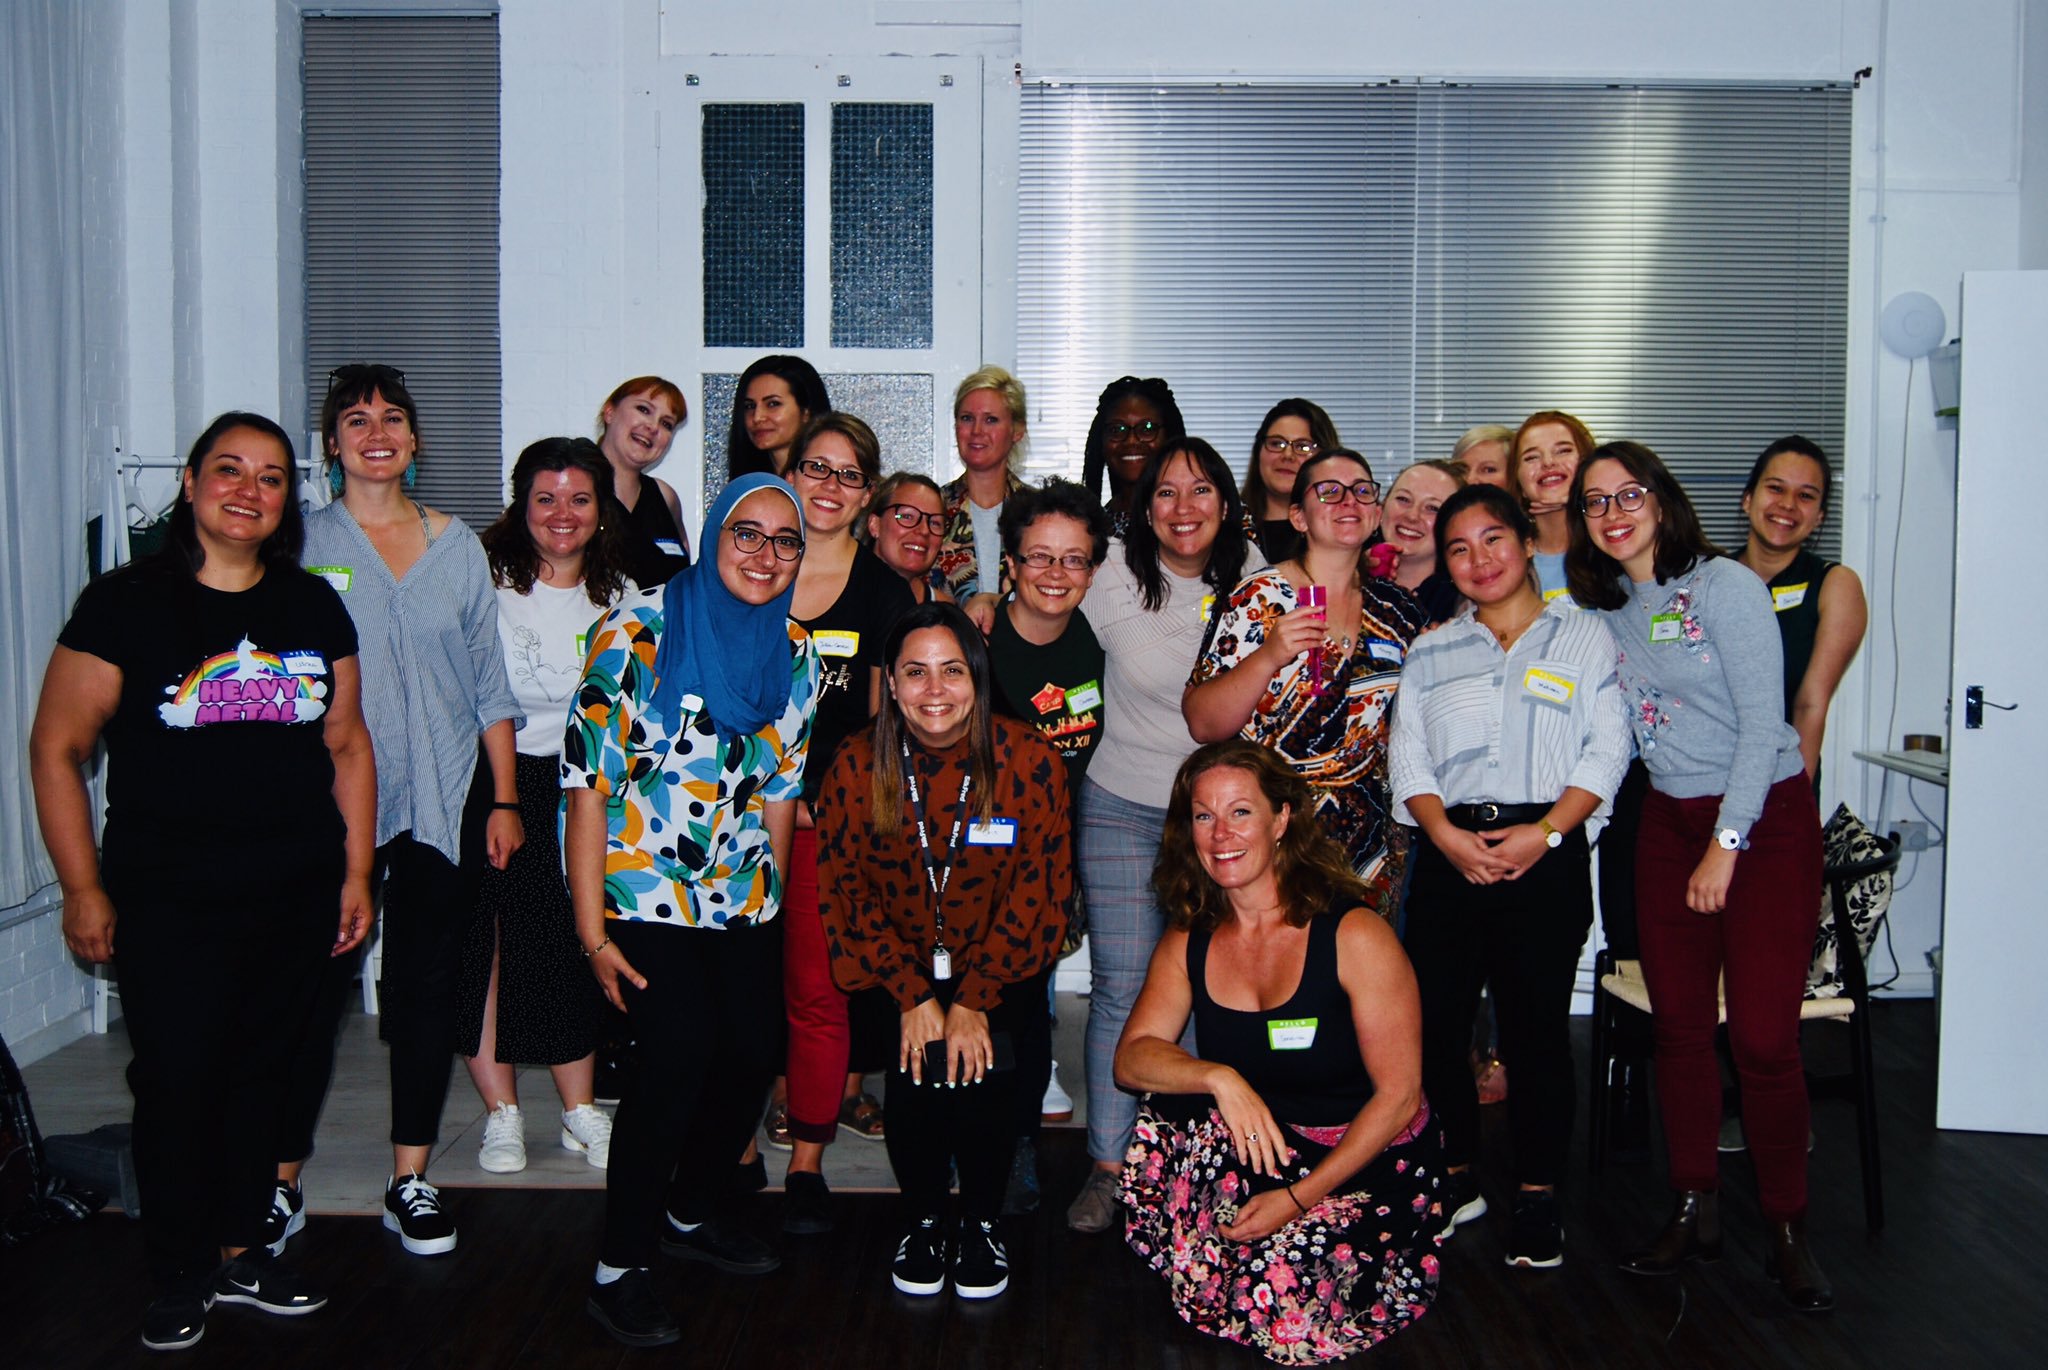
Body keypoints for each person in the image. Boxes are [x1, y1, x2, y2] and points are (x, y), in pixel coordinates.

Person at [30, 412, 374, 1350]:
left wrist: (355, 871)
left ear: (288, 500)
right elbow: (57, 748)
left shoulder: (311, 605)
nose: (248, 491)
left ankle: (242, 1251)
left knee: (267, 1075)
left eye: (270, 477)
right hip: (168, 893)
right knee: (179, 1079)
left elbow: (347, 744)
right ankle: (180, 1270)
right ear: (189, 483)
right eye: (229, 470)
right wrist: (82, 887)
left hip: (296, 888)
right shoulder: (125, 603)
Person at [1566, 441, 1832, 1312]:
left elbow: (1764, 726)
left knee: (1762, 1039)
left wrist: (1727, 841)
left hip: (1764, 820)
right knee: (1678, 1030)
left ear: (1662, 498)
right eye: (1595, 501)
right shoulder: (1607, 607)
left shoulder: (1726, 587)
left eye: (1627, 494)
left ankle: (1787, 1228)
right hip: (1668, 822)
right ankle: (1695, 1208)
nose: (1612, 513)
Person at [568, 473, 820, 1348]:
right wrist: (591, 932)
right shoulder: (636, 630)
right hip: (642, 887)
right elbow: (587, 786)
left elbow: (782, 788)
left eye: (785, 541)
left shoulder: (796, 649)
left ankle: (688, 1209)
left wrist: (772, 904)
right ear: (713, 536)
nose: (765, 555)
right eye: (746, 533)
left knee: (752, 1051)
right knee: (675, 1056)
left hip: (742, 892)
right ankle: (619, 1266)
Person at [1116, 740, 1444, 1364]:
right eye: (1204, 815)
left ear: (1281, 820)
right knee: (1168, 1109)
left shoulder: (1355, 934)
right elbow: (1132, 1058)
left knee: (1283, 1296)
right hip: (1267, 1140)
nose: (1221, 834)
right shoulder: (1191, 935)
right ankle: (1230, 1251)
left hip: (1365, 1157)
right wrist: (1221, 1078)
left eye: (1241, 812)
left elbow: (1400, 1098)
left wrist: (1298, 1200)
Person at [299, 364, 524, 1258]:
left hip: (445, 794)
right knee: (312, 994)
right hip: (327, 805)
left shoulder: (455, 545)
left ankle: (411, 1178)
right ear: (331, 443)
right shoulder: (301, 542)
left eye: (393, 417)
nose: (377, 433)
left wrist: (503, 797)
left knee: (427, 988)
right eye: (356, 420)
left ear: (415, 440)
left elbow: (488, 684)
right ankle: (279, 1181)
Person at [1389, 483, 1631, 1269]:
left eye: (1493, 539)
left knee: (1536, 1034)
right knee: (1439, 1029)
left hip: (1547, 850)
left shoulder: (1587, 636)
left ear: (1527, 542)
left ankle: (1537, 1193)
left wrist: (1547, 832)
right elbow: (1409, 756)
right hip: (1449, 851)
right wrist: (1445, 837)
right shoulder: (1431, 651)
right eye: (1458, 548)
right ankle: (1456, 1174)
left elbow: (1608, 749)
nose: (1478, 559)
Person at [816, 602, 1072, 1300]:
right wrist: (912, 995)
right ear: (892, 683)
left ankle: (982, 1222)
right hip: (895, 963)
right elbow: (844, 889)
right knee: (916, 1082)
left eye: (952, 671)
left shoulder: (1030, 760)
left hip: (1003, 960)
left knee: (987, 1079)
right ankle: (924, 1220)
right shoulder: (856, 764)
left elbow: (1040, 889)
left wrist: (976, 999)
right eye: (916, 672)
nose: (935, 690)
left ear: (977, 677)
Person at [1067, 437, 1262, 1233]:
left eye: (1201, 490)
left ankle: (1196, 1162)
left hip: (1218, 820)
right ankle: (1109, 1166)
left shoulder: (1258, 578)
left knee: (1217, 992)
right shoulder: (1111, 573)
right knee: (1121, 985)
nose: (1184, 508)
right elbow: (1041, 615)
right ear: (1145, 509)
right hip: (1120, 802)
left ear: (1227, 503)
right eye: (1166, 493)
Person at [458, 437, 633, 1175]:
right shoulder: (482, 578)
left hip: (581, 787)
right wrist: (502, 795)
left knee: (571, 941)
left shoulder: (621, 591)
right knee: (485, 946)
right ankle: (501, 1113)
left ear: (601, 508)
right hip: (490, 779)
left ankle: (578, 1109)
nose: (564, 514)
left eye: (580, 498)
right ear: (520, 504)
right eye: (546, 498)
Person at [773, 413, 915, 1233]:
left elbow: (880, 725)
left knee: (817, 994)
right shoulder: (749, 563)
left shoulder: (883, 592)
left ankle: (807, 1160)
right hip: (725, 819)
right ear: (789, 473)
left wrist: (836, 799)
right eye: (815, 468)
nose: (829, 486)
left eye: (848, 474)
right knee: (738, 993)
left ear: (866, 496)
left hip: (824, 821)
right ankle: (732, 1147)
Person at [1185, 449, 1427, 914]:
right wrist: (1270, 655)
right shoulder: (1259, 597)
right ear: (1299, 517)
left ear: (1376, 513)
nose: (1348, 501)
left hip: (1370, 841)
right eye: (1329, 492)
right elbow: (1202, 723)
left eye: (1362, 490)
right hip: (1272, 830)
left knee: (1361, 957)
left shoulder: (1398, 609)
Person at [985, 478, 1113, 1212]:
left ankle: (1018, 1144)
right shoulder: (976, 642)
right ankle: (967, 1140)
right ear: (1010, 563)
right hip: (977, 859)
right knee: (984, 1009)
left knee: (1030, 1011)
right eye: (1039, 556)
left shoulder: (1100, 640)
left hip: (1055, 861)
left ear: (1092, 570)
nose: (1056, 574)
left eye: (1073, 559)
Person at [1734, 435, 1867, 784]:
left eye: (1806, 496)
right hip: (1694, 783)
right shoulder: (1707, 578)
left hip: (1781, 781)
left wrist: (1792, 803)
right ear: (1748, 499)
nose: (1788, 504)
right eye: (1776, 488)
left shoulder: (1835, 585)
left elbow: (1810, 705)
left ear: (1820, 516)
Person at [935, 365, 1032, 600]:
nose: (977, 431)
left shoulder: (1040, 511)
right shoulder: (932, 509)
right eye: (967, 418)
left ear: (1017, 430)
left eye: (991, 420)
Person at [595, 375, 691, 586]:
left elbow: (684, 585)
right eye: (644, 410)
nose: (653, 427)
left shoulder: (666, 498)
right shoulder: (571, 489)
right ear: (610, 412)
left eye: (666, 423)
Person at [1080, 375, 1187, 539]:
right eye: (1117, 430)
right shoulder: (1090, 529)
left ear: (1170, 437)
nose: (1131, 441)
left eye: (1147, 428)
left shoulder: (1191, 519)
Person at [1241, 399, 1342, 565]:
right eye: (1276, 443)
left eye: (1303, 447)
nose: (1287, 455)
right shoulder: (1227, 527)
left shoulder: (1346, 528)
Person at [1510, 410, 1596, 601]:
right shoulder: (1507, 562)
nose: (1548, 463)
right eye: (1532, 457)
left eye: (1563, 451)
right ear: (1519, 483)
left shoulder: (1614, 545)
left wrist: (1582, 501)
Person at [1372, 460, 1467, 625]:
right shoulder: (1348, 583)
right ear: (1382, 506)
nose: (1412, 516)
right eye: (1403, 499)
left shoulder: (1462, 608)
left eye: (1432, 508)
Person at [726, 354, 831, 478]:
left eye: (773, 404)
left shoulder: (831, 481)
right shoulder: (746, 485)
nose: (757, 417)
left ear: (806, 412)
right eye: (750, 406)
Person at [863, 471, 953, 604]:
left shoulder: (943, 609)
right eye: (907, 516)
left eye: (935, 523)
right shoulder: (836, 594)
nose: (924, 531)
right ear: (874, 525)